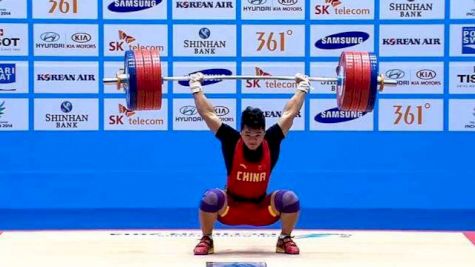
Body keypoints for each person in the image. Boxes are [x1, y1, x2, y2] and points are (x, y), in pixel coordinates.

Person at [189, 72, 311, 255]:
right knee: (211, 197)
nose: (253, 140)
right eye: (248, 134)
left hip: (262, 209)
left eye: (258, 135)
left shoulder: (272, 139)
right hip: (229, 209)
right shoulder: (231, 140)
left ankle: (284, 238)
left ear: (264, 132)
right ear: (241, 131)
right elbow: (208, 114)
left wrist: (302, 88)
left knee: (290, 199)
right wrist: (196, 88)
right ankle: (207, 238)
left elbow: (290, 113)